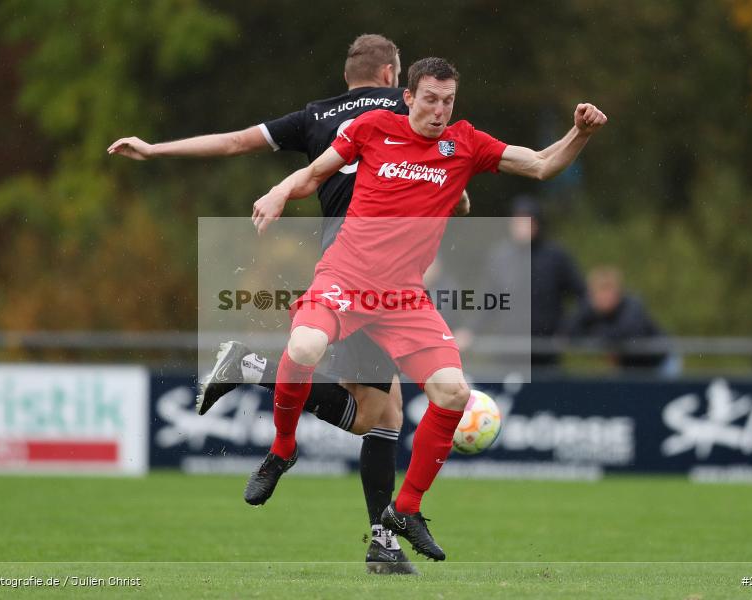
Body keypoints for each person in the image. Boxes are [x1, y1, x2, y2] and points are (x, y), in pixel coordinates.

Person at [109, 34, 453, 575]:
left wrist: (156, 149)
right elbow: (447, 169)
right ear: (394, 76)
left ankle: (380, 543)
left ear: (349, 75)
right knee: (380, 415)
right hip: (375, 270)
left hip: (338, 262)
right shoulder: (407, 109)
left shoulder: (316, 116)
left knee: (379, 411)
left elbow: (231, 143)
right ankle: (252, 368)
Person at [248, 56, 606, 560]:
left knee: (453, 393)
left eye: (449, 101)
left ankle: (406, 509)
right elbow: (313, 173)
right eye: (431, 99)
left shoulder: (465, 143)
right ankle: (282, 450)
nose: (440, 110)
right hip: (345, 278)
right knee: (305, 345)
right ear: (409, 96)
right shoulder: (373, 128)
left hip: (403, 297)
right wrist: (279, 191)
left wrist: (580, 132)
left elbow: (543, 164)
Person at [456, 196, 585, 368]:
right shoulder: (500, 258)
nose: (522, 227)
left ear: (538, 223)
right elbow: (487, 302)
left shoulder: (556, 257)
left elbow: (583, 296)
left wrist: (567, 330)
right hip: (508, 351)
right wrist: (469, 330)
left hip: (545, 353)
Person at [564, 266, 671, 370]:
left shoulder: (633, 305)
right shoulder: (589, 309)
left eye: (608, 290)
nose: (605, 297)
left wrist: (596, 332)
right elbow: (570, 331)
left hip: (660, 364)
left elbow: (626, 334)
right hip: (630, 368)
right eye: (600, 291)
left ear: (617, 292)